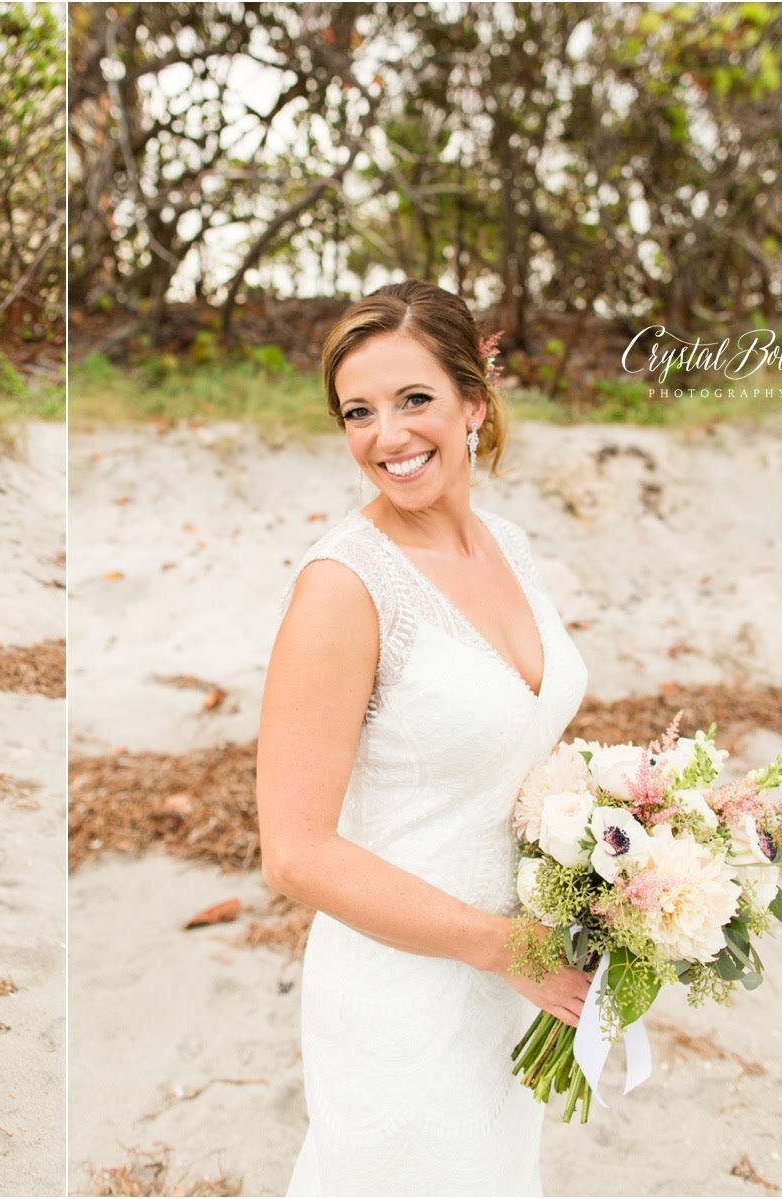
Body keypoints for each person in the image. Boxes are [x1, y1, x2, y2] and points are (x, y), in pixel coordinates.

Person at [257, 280, 593, 1196]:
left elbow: (522, 746)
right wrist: (499, 945)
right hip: (404, 988)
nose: (387, 437)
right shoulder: (344, 586)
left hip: (515, 979)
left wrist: (617, 864)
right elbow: (292, 854)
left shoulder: (510, 546)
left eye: (414, 400)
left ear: (474, 402)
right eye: (357, 412)